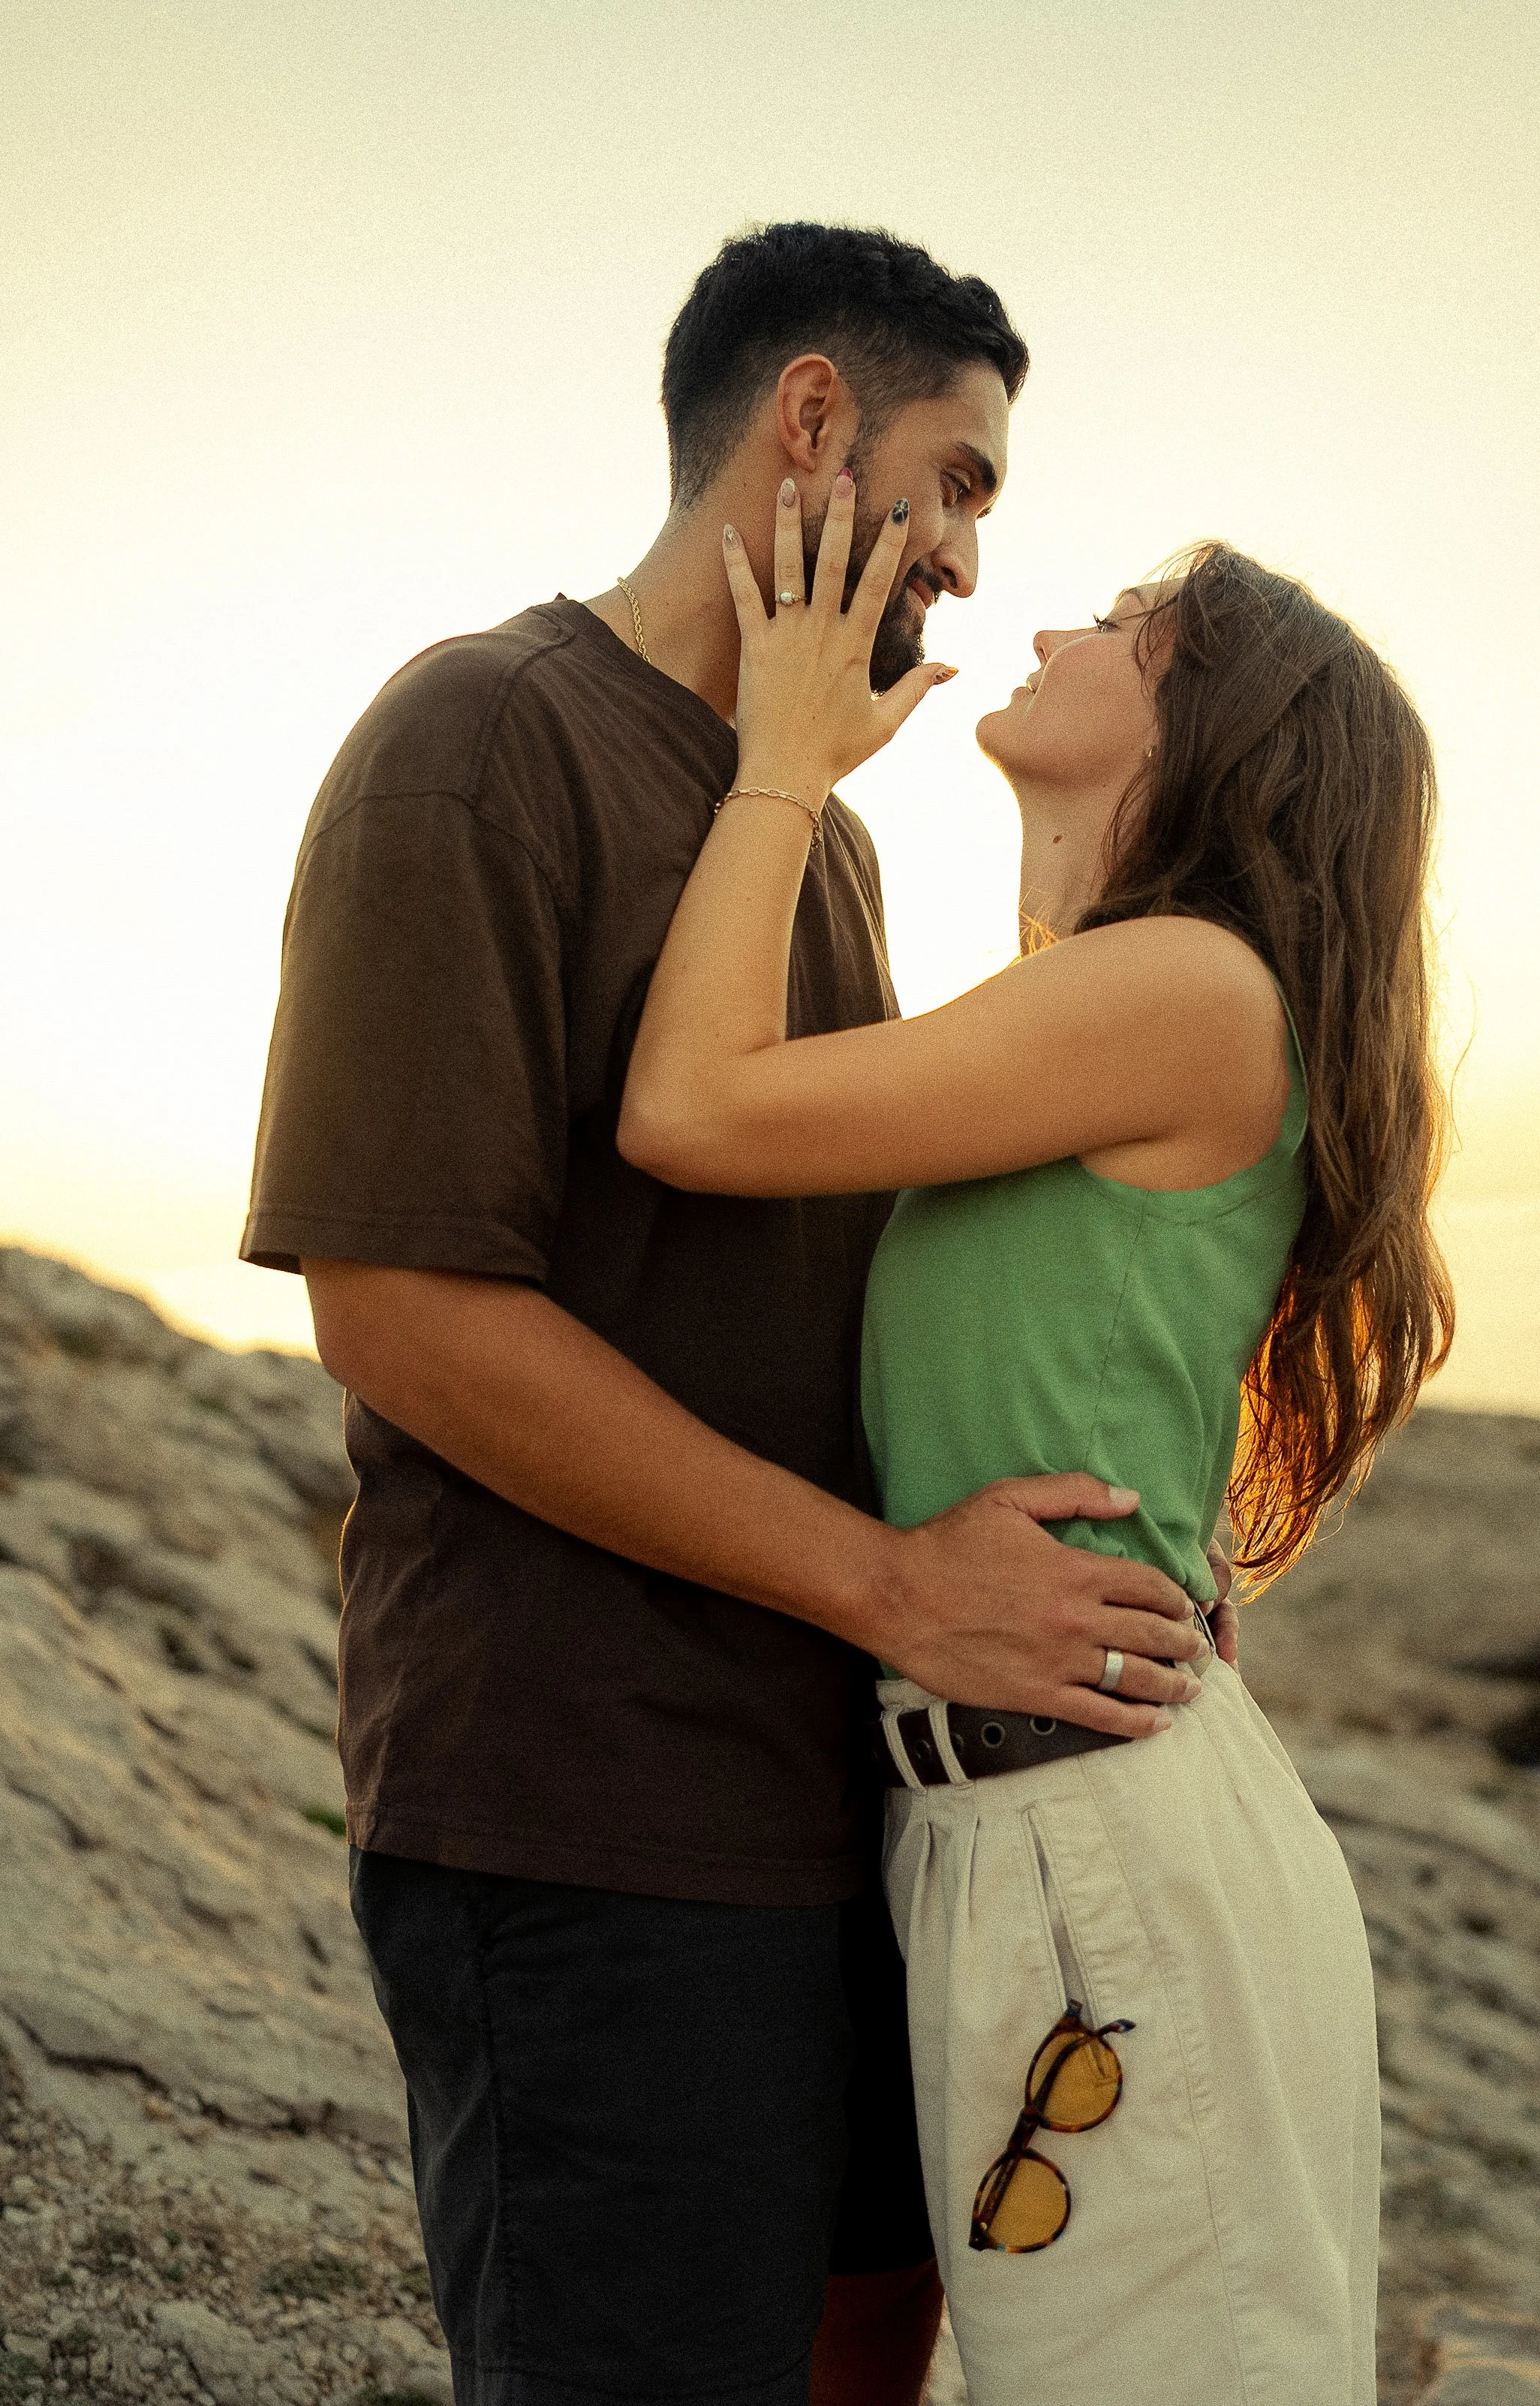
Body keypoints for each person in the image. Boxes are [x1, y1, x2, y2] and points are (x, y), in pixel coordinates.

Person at [240, 222, 1215, 2406]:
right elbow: (399, 1315)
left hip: (839, 1801)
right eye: (957, 480)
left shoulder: (828, 848)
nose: (970, 555)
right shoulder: (480, 739)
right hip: (588, 1813)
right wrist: (890, 1584)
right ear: (808, 426)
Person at [619, 482, 1456, 2404]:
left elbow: (689, 1111)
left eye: (1127, 622)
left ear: (1216, 725)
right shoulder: (1132, 997)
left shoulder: (1182, 986)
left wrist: (782, 759)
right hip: (1033, 1822)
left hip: (1090, 1840)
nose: (1053, 625)